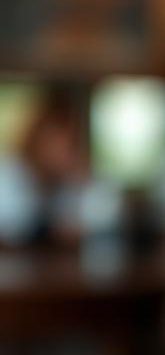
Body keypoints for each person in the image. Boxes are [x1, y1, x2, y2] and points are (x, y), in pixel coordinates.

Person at [0, 92, 97, 248]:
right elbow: (10, 234)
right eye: (65, 143)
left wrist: (79, 187)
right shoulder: (8, 172)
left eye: (72, 145)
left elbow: (73, 232)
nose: (68, 153)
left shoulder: (64, 180)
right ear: (40, 139)